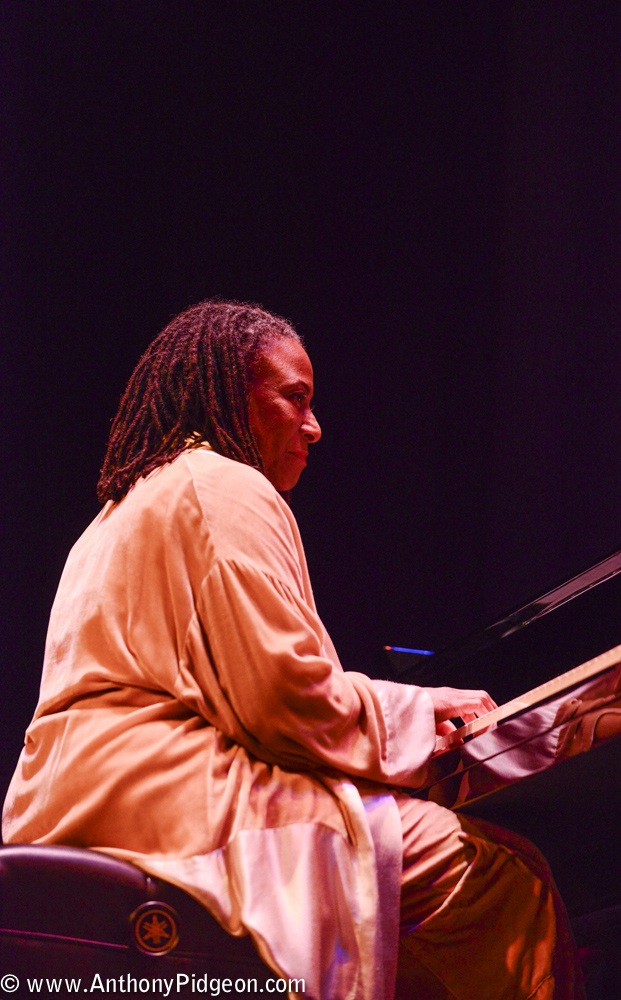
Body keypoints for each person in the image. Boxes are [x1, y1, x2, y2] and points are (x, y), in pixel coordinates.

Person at [2, 300, 584, 999]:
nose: (313, 426)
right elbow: (283, 699)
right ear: (226, 392)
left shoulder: (117, 511)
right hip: (174, 804)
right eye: (294, 398)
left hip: (69, 806)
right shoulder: (222, 483)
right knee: (498, 874)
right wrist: (420, 714)